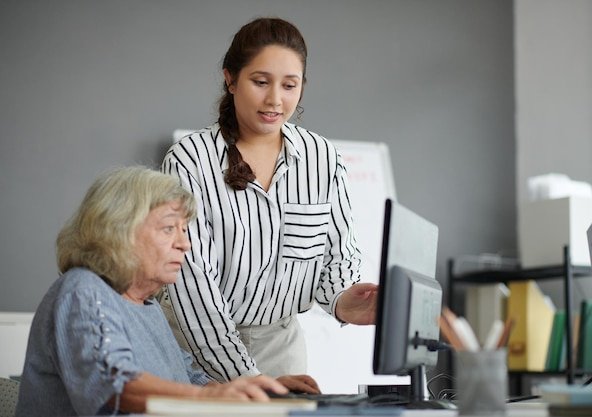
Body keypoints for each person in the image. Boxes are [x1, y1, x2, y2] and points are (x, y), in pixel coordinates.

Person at [160, 16, 377, 392]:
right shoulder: (189, 160)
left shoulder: (322, 159)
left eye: (289, 85)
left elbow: (338, 256)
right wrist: (250, 380)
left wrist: (343, 301)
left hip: (281, 350)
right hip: (192, 354)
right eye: (260, 82)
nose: (275, 99)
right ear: (230, 79)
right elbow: (193, 289)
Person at [14, 167, 288, 417]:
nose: (185, 244)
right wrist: (208, 397)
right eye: (169, 228)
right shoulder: (82, 292)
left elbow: (187, 379)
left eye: (184, 230)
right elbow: (115, 384)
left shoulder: (148, 306)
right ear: (118, 230)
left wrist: (255, 392)